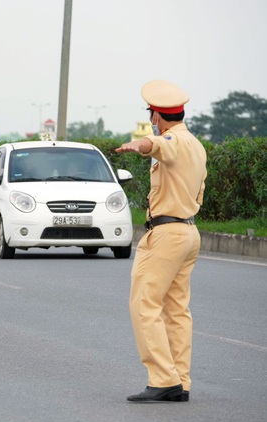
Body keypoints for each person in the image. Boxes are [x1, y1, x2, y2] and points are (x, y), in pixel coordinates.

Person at [115, 80, 207, 403]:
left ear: (157, 116)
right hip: (189, 232)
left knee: (144, 303)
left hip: (167, 233)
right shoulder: (197, 145)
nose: (152, 119)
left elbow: (155, 146)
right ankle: (180, 380)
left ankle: (163, 378)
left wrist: (138, 144)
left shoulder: (173, 141)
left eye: (152, 114)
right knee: (176, 309)